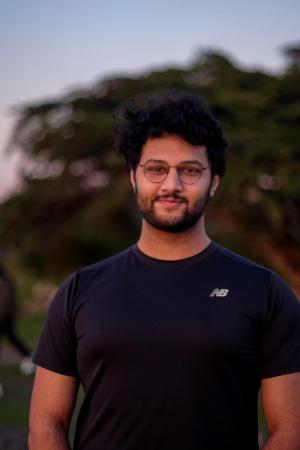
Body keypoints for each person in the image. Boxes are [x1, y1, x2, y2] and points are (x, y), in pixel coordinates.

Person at [28, 91, 300, 450]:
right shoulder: (80, 289)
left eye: (190, 171)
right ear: (133, 177)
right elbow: (46, 423)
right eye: (156, 169)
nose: (171, 186)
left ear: (213, 181)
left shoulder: (264, 290)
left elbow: (291, 430)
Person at [0, 263, 34, 381]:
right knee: (11, 336)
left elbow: (6, 301)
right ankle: (28, 355)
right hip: (5, 315)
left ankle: (28, 356)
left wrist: (3, 314)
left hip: (5, 315)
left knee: (11, 336)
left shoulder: (5, 282)